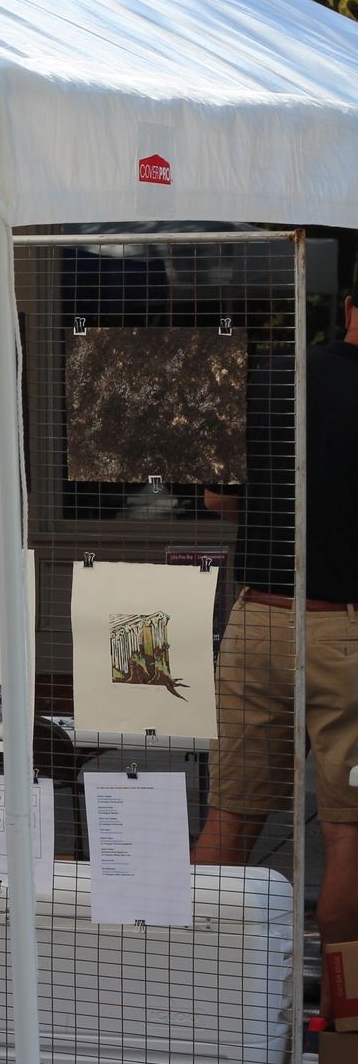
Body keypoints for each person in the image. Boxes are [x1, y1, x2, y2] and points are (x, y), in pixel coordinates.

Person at [194, 295, 358, 1002]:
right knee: (350, 831)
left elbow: (217, 500)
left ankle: (201, 1009)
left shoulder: (268, 377)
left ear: (348, 307)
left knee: (229, 816)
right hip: (345, 632)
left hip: (256, 620)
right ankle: (347, 1031)